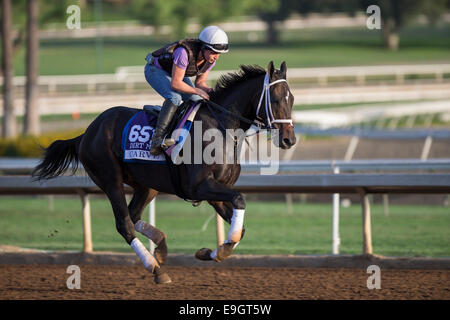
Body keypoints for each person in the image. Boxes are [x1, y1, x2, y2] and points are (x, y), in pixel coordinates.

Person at [144, 25, 229, 156]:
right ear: (203, 47)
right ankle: (157, 140)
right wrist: (197, 91)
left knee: (196, 99)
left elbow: (200, 83)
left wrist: (212, 92)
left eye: (218, 53)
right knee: (175, 98)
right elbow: (176, 84)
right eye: (213, 52)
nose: (216, 57)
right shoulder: (183, 53)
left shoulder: (210, 60)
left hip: (174, 74)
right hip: (155, 70)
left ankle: (181, 132)